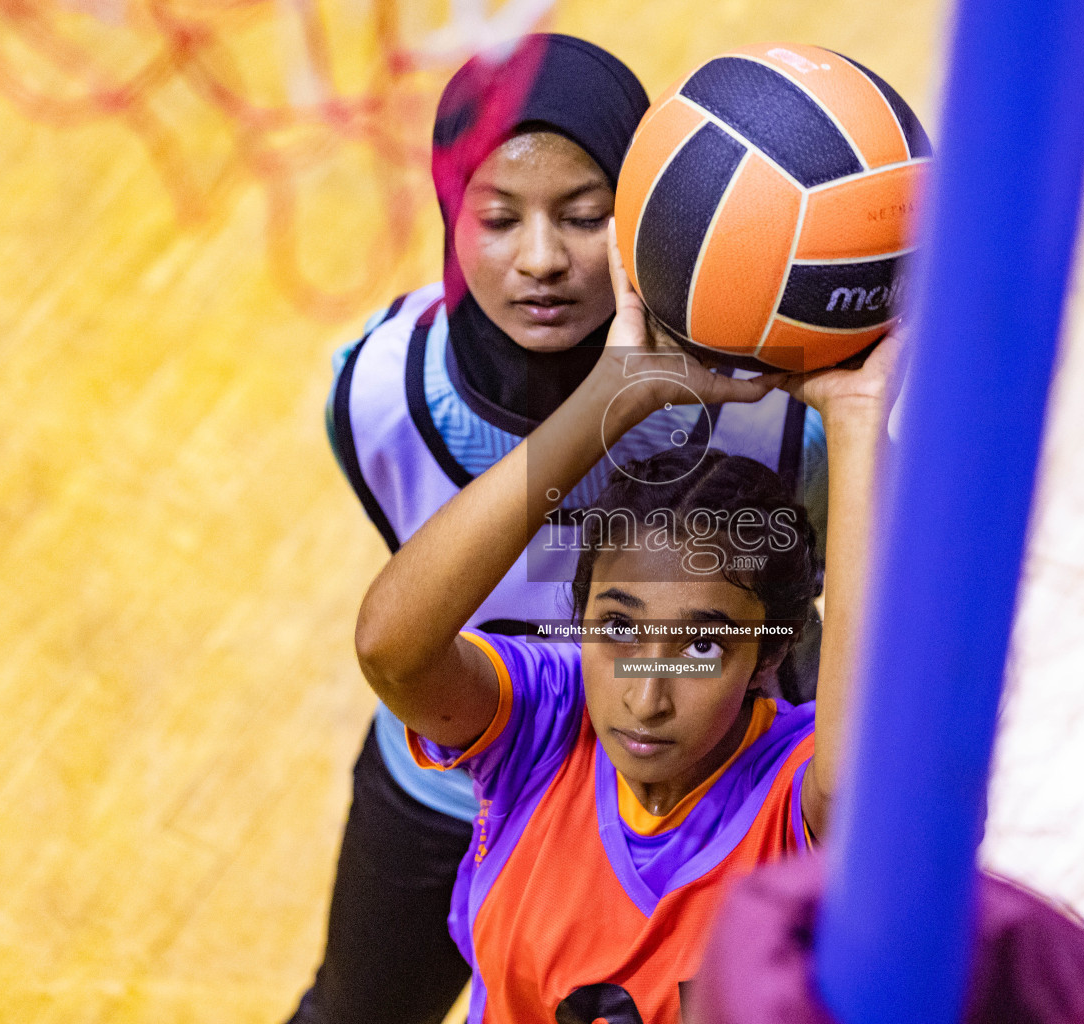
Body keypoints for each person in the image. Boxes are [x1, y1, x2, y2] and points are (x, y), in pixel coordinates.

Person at [293, 33, 827, 1024]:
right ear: (450, 218)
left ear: (641, 217)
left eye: (586, 218)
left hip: (706, 806)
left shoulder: (767, 413)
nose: (541, 260)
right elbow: (403, 625)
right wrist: (605, 408)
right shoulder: (377, 391)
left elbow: (805, 617)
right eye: (496, 218)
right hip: (469, 756)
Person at [352, 224, 893, 1022]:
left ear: (766, 658)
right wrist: (613, 396)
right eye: (618, 629)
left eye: (702, 645)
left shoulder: (788, 796)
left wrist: (856, 421)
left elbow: (857, 787)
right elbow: (392, 651)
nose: (645, 698)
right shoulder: (545, 720)